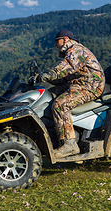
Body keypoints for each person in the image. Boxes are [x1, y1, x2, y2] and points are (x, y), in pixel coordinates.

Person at [37, 29, 105, 158]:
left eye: (57, 41)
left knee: (60, 104)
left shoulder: (77, 50)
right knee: (48, 95)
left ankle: (69, 144)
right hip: (77, 84)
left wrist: (51, 74)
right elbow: (63, 78)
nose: (55, 44)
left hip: (90, 86)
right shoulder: (71, 51)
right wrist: (44, 77)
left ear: (66, 40)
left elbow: (66, 67)